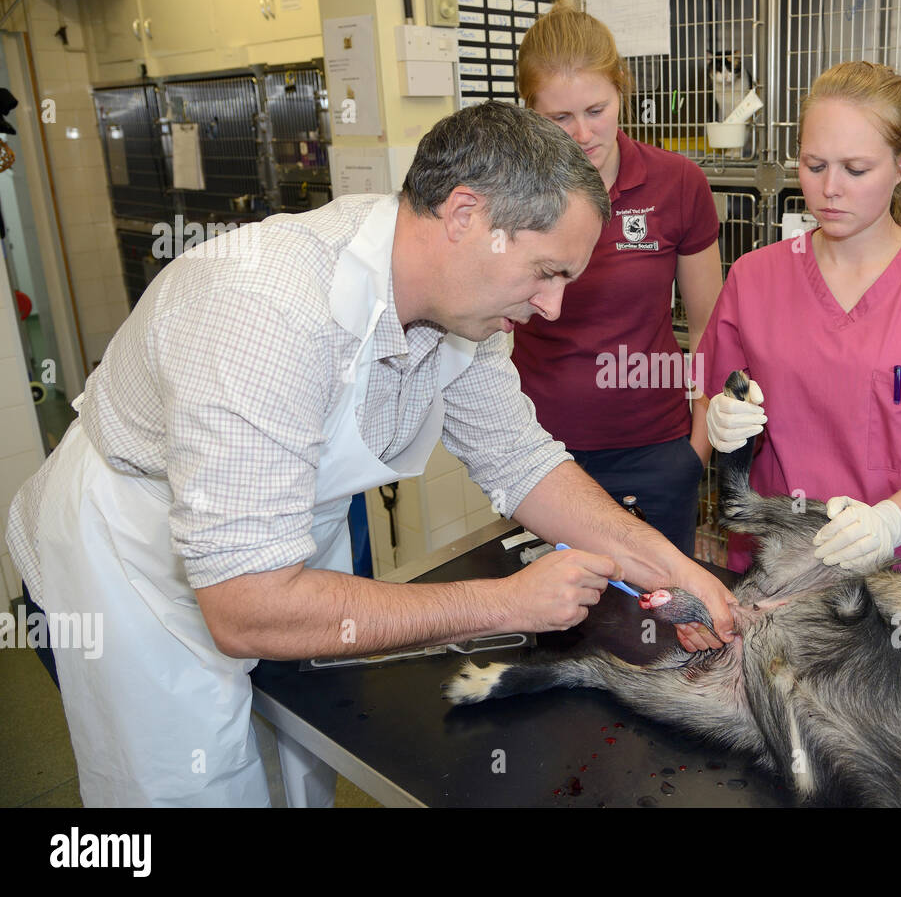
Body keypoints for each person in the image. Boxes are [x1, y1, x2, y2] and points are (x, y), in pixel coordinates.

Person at [4, 101, 736, 808]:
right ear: (464, 216)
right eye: (547, 272)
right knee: (192, 785)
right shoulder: (264, 309)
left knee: (295, 756)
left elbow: (522, 461)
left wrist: (667, 565)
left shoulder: (464, 314)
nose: (552, 307)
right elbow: (246, 606)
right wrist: (504, 603)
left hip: (277, 541)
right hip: (134, 557)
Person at [697, 62, 901, 603]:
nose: (830, 190)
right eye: (814, 165)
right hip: (780, 569)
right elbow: (725, 396)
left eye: (856, 169)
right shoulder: (755, 278)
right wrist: (725, 422)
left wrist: (890, 522)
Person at [511, 1, 723, 557]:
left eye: (596, 109)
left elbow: (709, 329)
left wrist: (695, 449)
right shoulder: (507, 196)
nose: (582, 133)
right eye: (559, 118)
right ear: (530, 114)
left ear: (622, 92)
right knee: (555, 626)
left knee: (656, 627)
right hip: (539, 452)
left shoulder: (678, 184)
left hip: (653, 449)